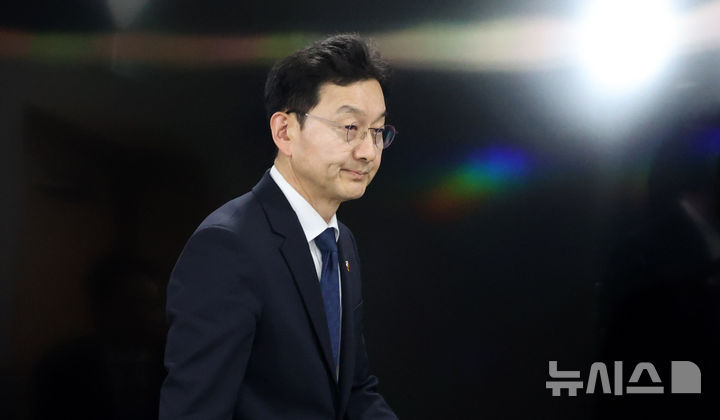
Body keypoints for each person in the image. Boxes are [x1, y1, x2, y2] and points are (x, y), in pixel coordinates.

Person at [159, 34, 399, 420]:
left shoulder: (341, 242)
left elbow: (353, 390)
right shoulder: (226, 245)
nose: (368, 152)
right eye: (350, 127)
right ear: (285, 132)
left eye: (377, 131)